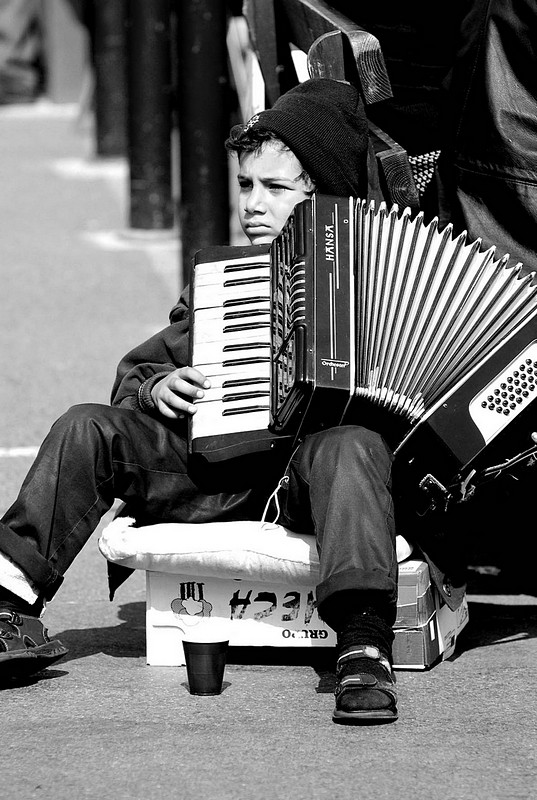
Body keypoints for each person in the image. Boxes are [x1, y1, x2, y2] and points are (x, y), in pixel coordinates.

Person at [0, 77, 460, 724]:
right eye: (246, 185)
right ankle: (8, 603)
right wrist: (158, 387)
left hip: (309, 487)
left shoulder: (380, 281)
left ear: (322, 197)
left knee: (352, 446)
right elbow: (139, 371)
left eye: (275, 189)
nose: (252, 205)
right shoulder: (230, 283)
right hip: (215, 473)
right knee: (85, 428)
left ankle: (362, 644)